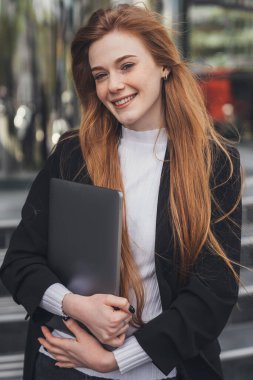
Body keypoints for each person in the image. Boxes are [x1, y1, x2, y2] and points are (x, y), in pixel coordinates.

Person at [0, 4, 242, 380]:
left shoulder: (215, 162)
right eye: (101, 74)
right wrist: (75, 305)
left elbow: (214, 293)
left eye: (126, 66)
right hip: (64, 366)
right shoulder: (72, 153)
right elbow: (18, 263)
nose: (113, 85)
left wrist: (116, 360)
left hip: (164, 372)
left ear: (163, 65)